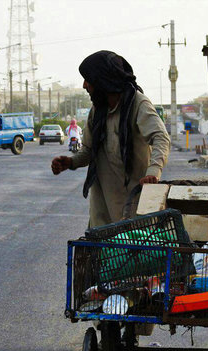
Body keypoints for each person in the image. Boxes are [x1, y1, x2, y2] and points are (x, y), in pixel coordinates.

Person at [51, 50, 170, 227]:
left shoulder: (138, 104)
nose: (85, 85)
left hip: (134, 206)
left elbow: (161, 137)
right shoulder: (97, 111)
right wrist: (71, 162)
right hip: (102, 212)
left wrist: (153, 172)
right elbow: (89, 151)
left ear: (102, 81)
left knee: (134, 252)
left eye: (88, 80)